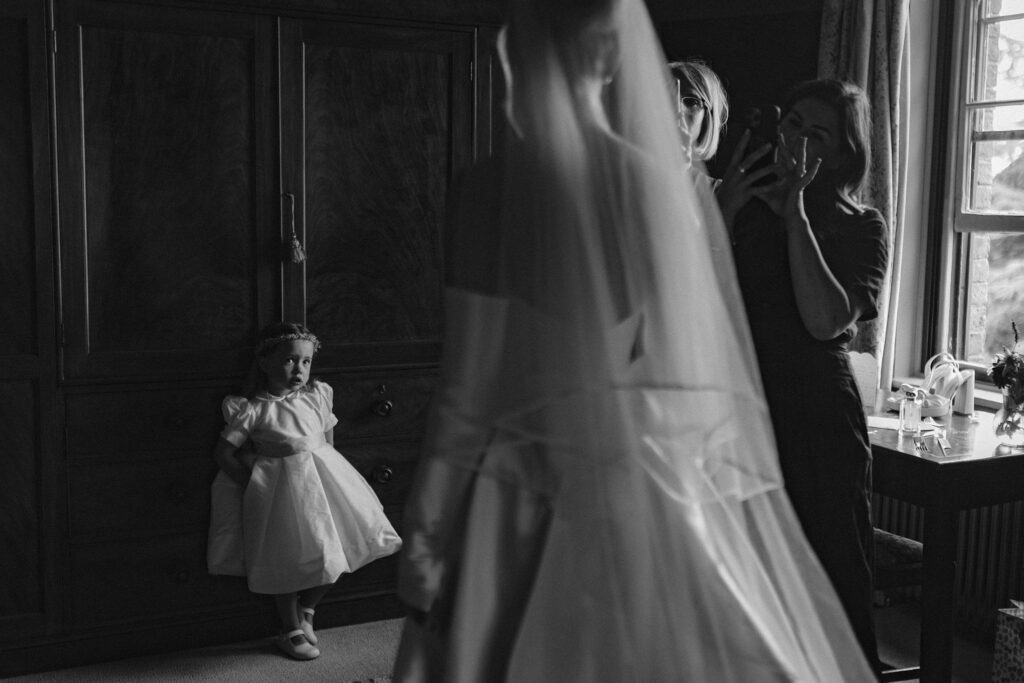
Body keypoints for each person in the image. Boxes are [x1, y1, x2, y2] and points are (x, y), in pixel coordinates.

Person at [392, 0, 876, 680]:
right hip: (627, 466)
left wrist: (430, 525)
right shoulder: (658, 189)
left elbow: (468, 387)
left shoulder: (485, 186)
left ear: (517, 54)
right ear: (615, 60)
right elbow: (674, 366)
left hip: (515, 471)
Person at [718, 79, 889, 672]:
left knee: (831, 571)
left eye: (817, 135)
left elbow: (824, 322)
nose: (796, 141)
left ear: (842, 156)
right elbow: (689, 304)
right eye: (792, 123)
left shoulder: (861, 225)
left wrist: (796, 218)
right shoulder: (737, 204)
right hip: (740, 403)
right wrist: (722, 215)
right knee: (743, 577)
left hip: (816, 409)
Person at [206, 322, 402, 661]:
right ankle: (290, 626)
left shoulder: (316, 397)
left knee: (338, 547)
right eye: (289, 360)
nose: (300, 369)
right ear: (265, 362)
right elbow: (223, 453)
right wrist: (251, 484)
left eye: (306, 361)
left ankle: (308, 608)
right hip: (281, 493)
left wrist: (336, 473)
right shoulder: (252, 410)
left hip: (326, 485)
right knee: (287, 556)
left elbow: (327, 441)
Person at [668, 59, 728, 173]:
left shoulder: (723, 190)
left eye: (691, 103)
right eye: (667, 97)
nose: (677, 110)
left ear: (708, 118)